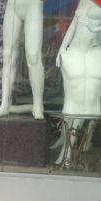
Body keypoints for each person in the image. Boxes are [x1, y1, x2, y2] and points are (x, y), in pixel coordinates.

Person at [52, 0, 101, 166]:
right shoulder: (84, 1)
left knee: (88, 98)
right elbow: (73, 25)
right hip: (73, 53)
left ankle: (72, 149)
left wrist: (95, 28)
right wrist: (61, 50)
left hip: (92, 52)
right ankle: (66, 147)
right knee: (72, 100)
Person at [0, 0, 45, 120]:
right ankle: (4, 104)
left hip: (33, 4)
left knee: (33, 56)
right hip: (13, 4)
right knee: (8, 55)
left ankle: (38, 105)